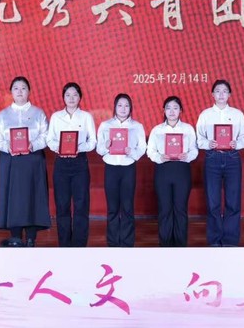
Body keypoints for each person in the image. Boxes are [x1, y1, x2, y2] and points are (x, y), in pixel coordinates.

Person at [0, 76, 51, 247]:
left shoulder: (38, 113)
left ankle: (31, 237)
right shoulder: (3, 115)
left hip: (32, 159)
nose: (20, 91)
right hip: (11, 160)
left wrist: (33, 145)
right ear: (11, 92)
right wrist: (6, 146)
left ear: (29, 91)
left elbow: (46, 135)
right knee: (13, 198)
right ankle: (15, 236)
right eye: (16, 88)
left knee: (33, 196)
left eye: (23, 88)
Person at [195, 79, 244, 247]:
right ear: (212, 94)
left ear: (229, 94)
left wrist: (236, 143)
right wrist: (208, 143)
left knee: (233, 201)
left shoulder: (237, 114)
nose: (221, 94)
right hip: (212, 158)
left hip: (232, 158)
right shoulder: (205, 115)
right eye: (217, 91)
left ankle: (230, 241)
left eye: (225, 91)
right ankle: (214, 241)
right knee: (213, 202)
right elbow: (199, 139)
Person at [46, 82, 96, 247]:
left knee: (81, 205)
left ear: (80, 97)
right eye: (68, 95)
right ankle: (65, 245)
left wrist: (78, 148)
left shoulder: (86, 117)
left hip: (80, 163)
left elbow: (92, 141)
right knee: (62, 205)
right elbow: (50, 139)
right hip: (61, 163)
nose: (71, 98)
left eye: (75, 95)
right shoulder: (56, 117)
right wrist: (59, 148)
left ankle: (79, 245)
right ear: (63, 97)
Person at [96, 93, 147, 247]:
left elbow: (142, 148)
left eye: (126, 105)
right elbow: (99, 149)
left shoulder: (137, 126)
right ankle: (112, 242)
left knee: (127, 207)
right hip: (111, 168)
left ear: (130, 108)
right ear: (115, 107)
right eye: (120, 105)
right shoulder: (105, 125)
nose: (123, 108)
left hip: (128, 168)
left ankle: (127, 242)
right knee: (112, 208)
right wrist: (106, 146)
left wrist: (132, 152)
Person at [146, 96, 198, 247]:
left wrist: (187, 156)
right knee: (165, 209)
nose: (172, 111)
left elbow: (194, 150)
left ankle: (181, 245)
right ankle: (165, 245)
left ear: (181, 110)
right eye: (168, 108)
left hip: (182, 170)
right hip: (163, 170)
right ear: (164, 111)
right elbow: (150, 151)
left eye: (175, 108)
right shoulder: (157, 130)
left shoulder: (188, 129)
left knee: (180, 209)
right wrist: (159, 157)